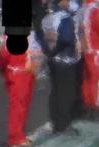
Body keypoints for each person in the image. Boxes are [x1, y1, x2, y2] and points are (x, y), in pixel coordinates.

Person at [37, 0, 83, 134]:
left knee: (56, 91)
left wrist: (49, 53)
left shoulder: (46, 18)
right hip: (65, 60)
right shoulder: (64, 18)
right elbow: (67, 39)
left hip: (53, 61)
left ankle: (56, 122)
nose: (69, 2)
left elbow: (42, 38)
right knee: (66, 93)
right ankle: (63, 124)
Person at [0, 32, 38, 147]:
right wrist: (6, 72)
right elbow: (3, 58)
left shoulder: (29, 35)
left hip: (28, 74)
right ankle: (15, 137)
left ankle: (20, 134)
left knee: (24, 105)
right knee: (17, 106)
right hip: (17, 75)